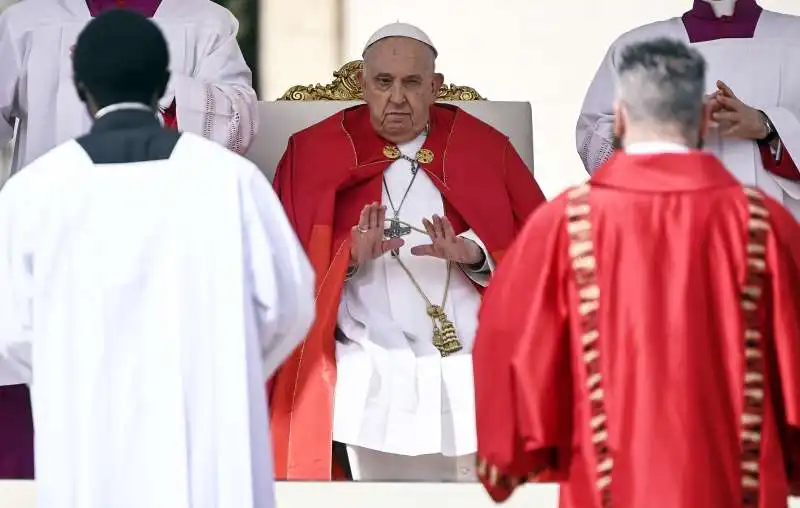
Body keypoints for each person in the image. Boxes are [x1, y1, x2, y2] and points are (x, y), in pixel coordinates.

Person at [0, 10, 314, 508]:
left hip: (86, 437)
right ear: (166, 85)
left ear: (80, 85)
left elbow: (12, 332)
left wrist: (71, 367)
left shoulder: (34, 192)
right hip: (205, 435)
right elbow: (291, 306)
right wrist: (225, 366)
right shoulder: (231, 182)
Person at [474, 38, 800, 508]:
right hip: (735, 487)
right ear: (704, 119)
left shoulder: (564, 224)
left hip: (608, 487)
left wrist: (515, 459)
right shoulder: (763, 224)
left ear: (621, 119)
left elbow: (509, 344)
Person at [268, 22, 546, 481]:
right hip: (364, 332)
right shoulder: (314, 152)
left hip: (471, 329)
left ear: (435, 87)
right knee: (369, 375)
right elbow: (285, 265)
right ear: (362, 83)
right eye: (383, 82)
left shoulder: (483, 147)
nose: (397, 98)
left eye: (412, 83)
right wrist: (348, 259)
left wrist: (474, 255)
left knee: (485, 376)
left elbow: (538, 247)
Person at [577, 0, 800, 218]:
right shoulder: (635, 49)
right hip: (673, 232)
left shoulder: (794, 38)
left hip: (781, 237)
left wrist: (768, 128)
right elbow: (593, 144)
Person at [0, 0, 258, 175]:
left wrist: (149, 76)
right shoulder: (26, 22)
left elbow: (238, 125)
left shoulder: (207, 22)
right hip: (52, 213)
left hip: (166, 219)